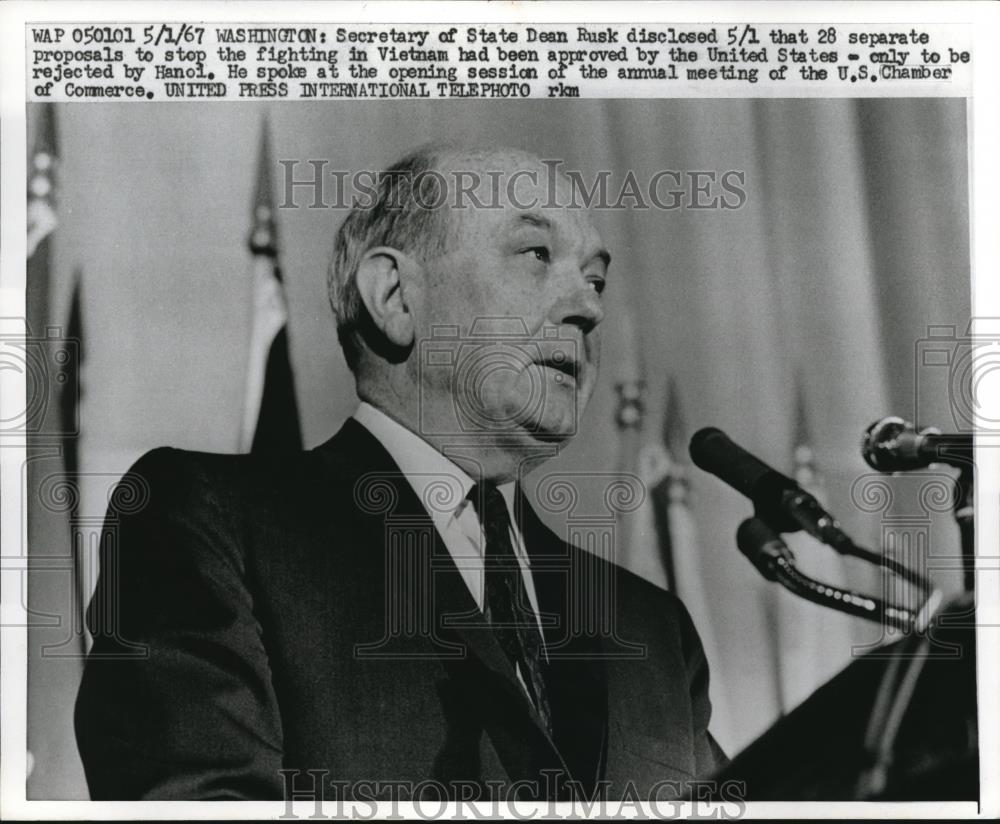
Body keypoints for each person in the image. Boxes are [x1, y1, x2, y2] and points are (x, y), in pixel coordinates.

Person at [75, 145, 726, 802]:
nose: (589, 309)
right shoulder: (210, 526)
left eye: (595, 280)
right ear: (393, 296)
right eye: (535, 255)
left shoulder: (652, 629)